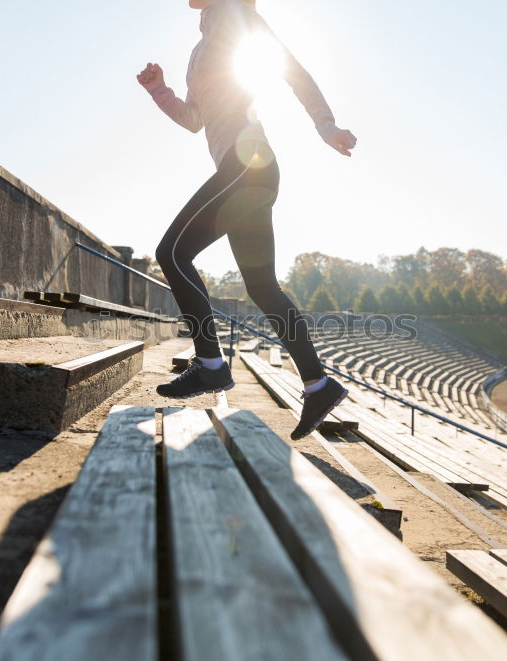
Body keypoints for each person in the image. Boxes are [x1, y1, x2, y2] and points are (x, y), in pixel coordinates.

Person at [137, 0, 357, 440]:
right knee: (262, 287)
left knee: (172, 253)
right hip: (246, 171)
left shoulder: (235, 12)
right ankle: (318, 383)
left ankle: (211, 366)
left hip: (246, 162)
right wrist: (160, 91)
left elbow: (292, 70)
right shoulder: (200, 51)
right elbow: (194, 120)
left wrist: (326, 125)